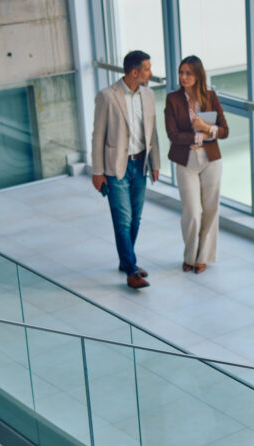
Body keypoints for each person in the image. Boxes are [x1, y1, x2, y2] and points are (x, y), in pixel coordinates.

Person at [91, 50, 161, 289]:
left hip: (140, 163)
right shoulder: (107, 97)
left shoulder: (149, 95)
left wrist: (155, 163)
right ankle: (131, 270)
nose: (150, 73)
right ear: (134, 72)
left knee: (136, 218)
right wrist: (97, 171)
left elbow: (153, 132)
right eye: (147, 69)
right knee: (123, 219)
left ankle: (125, 259)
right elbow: (97, 136)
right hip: (115, 167)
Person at [165, 55, 228, 274]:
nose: (183, 77)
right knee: (192, 211)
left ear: (198, 75)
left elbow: (224, 130)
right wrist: (198, 136)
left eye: (188, 73)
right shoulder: (172, 99)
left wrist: (206, 128)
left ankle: (203, 257)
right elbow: (173, 135)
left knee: (210, 209)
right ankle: (189, 255)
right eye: (181, 72)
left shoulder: (211, 97)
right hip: (187, 160)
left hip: (211, 159)